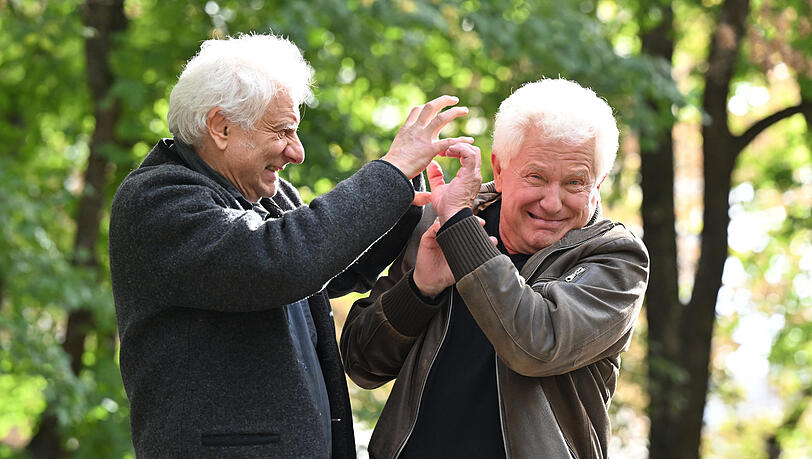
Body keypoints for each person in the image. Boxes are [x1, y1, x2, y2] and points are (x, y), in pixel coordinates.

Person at [108, 32, 477, 457]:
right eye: (283, 131)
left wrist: (411, 187)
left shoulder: (266, 195)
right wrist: (389, 172)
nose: (297, 153)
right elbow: (281, 262)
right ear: (221, 126)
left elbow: (330, 270)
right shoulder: (156, 199)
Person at [340, 78, 650, 458]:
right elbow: (362, 364)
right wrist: (420, 289)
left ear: (598, 184)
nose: (553, 202)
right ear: (499, 170)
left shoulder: (616, 257)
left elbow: (536, 344)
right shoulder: (441, 221)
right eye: (536, 177)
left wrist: (461, 233)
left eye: (574, 182)